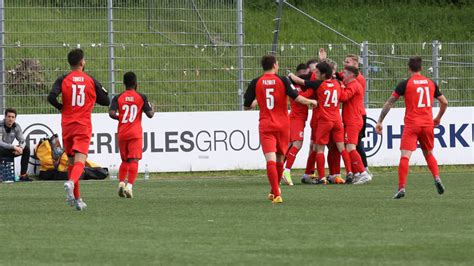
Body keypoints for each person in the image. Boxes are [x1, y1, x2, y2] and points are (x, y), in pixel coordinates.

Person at [244, 54, 317, 203]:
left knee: (270, 159)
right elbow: (297, 98)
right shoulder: (283, 80)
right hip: (283, 125)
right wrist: (311, 101)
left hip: (266, 125)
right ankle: (275, 190)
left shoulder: (256, 82)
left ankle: (276, 192)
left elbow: (247, 105)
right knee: (279, 158)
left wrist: (259, 100)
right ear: (275, 65)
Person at [375, 56, 448, 199]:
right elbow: (444, 102)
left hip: (412, 124)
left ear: (409, 68)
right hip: (427, 124)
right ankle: (437, 177)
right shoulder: (431, 83)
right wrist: (438, 117)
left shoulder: (405, 84)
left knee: (405, 156)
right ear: (421, 68)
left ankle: (401, 187)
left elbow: (389, 103)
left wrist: (379, 121)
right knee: (428, 153)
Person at [48, 48, 110, 210]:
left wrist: (62, 107)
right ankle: (70, 182)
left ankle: (77, 199)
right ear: (82, 62)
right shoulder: (90, 80)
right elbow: (106, 100)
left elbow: (51, 97)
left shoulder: (63, 79)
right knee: (80, 162)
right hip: (82, 125)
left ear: (70, 63)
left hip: (67, 125)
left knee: (71, 162)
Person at [289, 62, 353, 184]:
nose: (315, 74)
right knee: (341, 148)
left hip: (324, 120)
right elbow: (342, 96)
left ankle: (322, 177)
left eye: (317, 72)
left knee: (319, 149)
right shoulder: (337, 83)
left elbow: (302, 82)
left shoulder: (319, 84)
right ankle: (349, 172)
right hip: (337, 120)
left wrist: (291, 76)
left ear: (323, 74)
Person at [109, 72, 154, 198]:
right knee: (134, 160)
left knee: (124, 160)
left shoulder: (118, 97)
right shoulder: (141, 97)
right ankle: (129, 186)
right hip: (135, 133)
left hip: (122, 133)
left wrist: (121, 118)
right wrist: (153, 108)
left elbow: (111, 113)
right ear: (136, 83)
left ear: (124, 83)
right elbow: (150, 114)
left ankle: (121, 183)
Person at [282, 63, 313, 186]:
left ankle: (278, 170)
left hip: (298, 118)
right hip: (296, 118)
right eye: (306, 72)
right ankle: (287, 171)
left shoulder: (303, 85)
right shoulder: (293, 86)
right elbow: (301, 97)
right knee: (297, 144)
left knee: (289, 146)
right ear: (300, 73)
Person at [339, 66, 371, 184]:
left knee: (351, 148)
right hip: (351, 120)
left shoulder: (354, 85)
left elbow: (343, 97)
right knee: (350, 148)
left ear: (351, 75)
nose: (343, 75)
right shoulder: (352, 84)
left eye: (345, 73)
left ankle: (363, 173)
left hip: (353, 120)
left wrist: (341, 86)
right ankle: (358, 173)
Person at [0, 108, 32, 181]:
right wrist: (14, 147)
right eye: (9, 116)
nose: (10, 119)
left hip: (10, 151)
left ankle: (23, 175)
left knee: (26, 149)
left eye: (13, 117)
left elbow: (22, 140)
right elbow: (0, 143)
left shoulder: (16, 126)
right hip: (1, 150)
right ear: (5, 117)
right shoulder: (0, 125)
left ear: (15, 118)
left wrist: (20, 148)